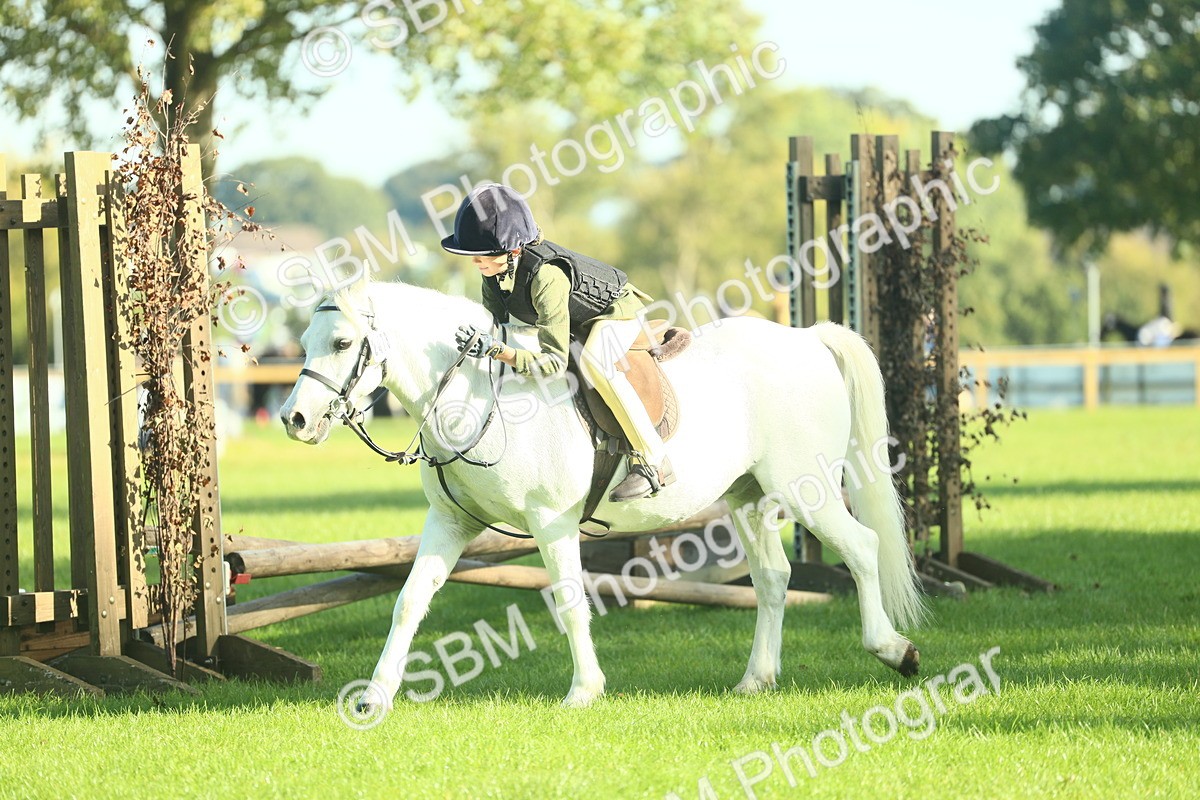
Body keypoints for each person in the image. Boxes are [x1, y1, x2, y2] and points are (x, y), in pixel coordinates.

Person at [441, 183, 674, 501]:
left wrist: (499, 350)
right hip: (575, 320)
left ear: (512, 251)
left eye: (483, 255)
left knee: (595, 362)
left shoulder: (546, 276)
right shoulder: (493, 273)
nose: (475, 262)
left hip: (615, 312)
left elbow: (553, 362)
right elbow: (499, 328)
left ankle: (654, 460)